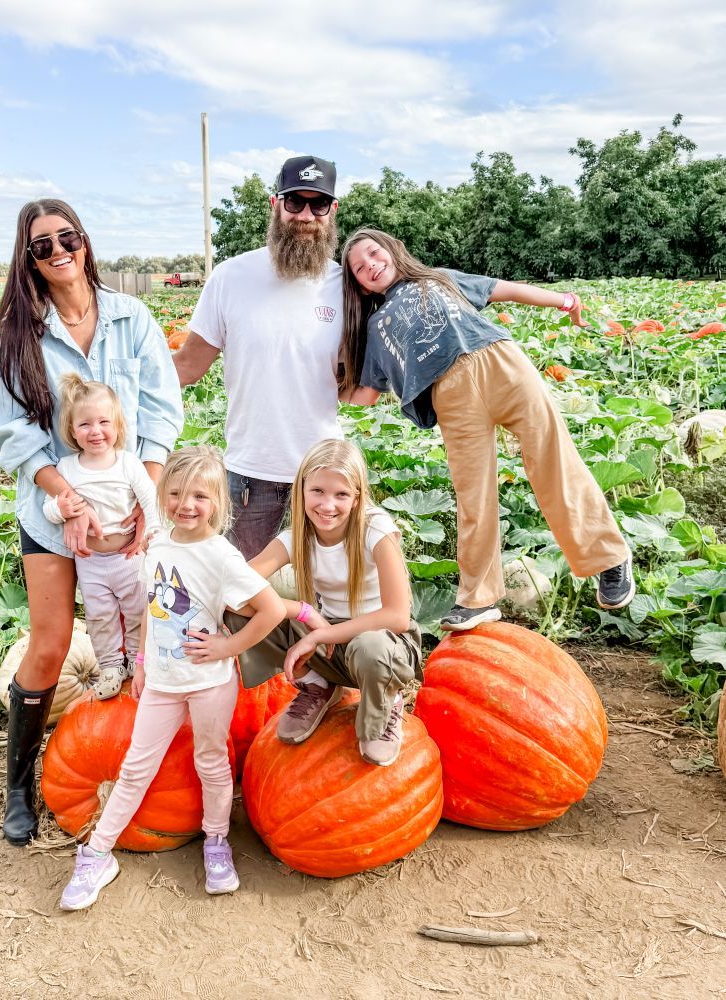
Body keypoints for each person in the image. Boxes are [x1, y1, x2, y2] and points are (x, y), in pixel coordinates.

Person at [0, 198, 183, 847]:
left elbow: (161, 411)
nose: (58, 251)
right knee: (49, 644)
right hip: (53, 513)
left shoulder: (132, 317)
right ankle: (19, 785)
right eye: (42, 245)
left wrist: (143, 500)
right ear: (29, 259)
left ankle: (144, 764)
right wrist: (68, 499)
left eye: (67, 238)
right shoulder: (16, 336)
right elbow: (10, 432)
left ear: (84, 242)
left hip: (130, 513)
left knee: (145, 630)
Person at [340, 227, 634, 631]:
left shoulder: (439, 278)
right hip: (451, 395)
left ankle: (609, 559)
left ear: (392, 249)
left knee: (552, 459)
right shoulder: (376, 327)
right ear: (359, 284)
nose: (371, 265)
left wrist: (566, 301)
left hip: (502, 365)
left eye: (374, 253)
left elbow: (504, 290)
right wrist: (313, 379)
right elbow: (365, 395)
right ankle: (478, 599)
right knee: (471, 492)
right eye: (359, 267)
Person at [58, 446, 285, 910]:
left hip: (208, 682)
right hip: (162, 682)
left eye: (200, 495)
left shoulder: (221, 555)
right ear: (163, 497)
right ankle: (97, 853)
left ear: (217, 502)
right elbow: (151, 607)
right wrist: (142, 663)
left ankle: (216, 842)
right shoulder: (157, 544)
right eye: (177, 493)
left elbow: (272, 610)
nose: (186, 504)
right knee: (135, 767)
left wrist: (227, 648)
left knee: (211, 763)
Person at [174, 155, 345, 558]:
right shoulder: (231, 277)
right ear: (275, 204)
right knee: (243, 585)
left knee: (324, 586)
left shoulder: (345, 286)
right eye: (294, 202)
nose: (306, 216)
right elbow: (188, 366)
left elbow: (358, 382)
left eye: (318, 204)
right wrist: (115, 385)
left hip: (324, 473)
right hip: (251, 473)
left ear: (332, 210)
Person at [225, 439, 421, 767]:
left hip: (385, 644)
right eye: (317, 491)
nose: (327, 505)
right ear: (301, 490)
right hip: (331, 644)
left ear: (357, 498)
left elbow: (397, 616)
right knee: (243, 615)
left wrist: (320, 635)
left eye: (341, 494)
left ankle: (386, 701)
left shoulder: (376, 530)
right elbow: (235, 592)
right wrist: (302, 613)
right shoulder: (295, 538)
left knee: (370, 647)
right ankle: (317, 686)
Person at [42, 374, 162, 699]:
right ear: (72, 431)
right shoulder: (67, 468)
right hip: (91, 561)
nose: (95, 431)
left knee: (137, 610)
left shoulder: (128, 464)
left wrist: (153, 534)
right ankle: (109, 666)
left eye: (103, 422)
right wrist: (60, 509)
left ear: (118, 425)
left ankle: (136, 659)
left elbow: (149, 500)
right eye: (85, 424)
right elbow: (48, 509)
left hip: (127, 556)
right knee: (100, 616)